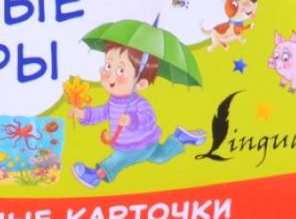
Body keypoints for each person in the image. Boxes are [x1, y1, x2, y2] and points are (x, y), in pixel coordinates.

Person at [70, 42, 205, 188]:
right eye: (108, 66)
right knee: (160, 156)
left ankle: (94, 177)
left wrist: (131, 120)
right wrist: (84, 114)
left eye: (120, 70)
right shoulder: (113, 101)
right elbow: (102, 112)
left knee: (118, 159)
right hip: (140, 144)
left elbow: (149, 118)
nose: (109, 75)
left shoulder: (139, 103)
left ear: (140, 84)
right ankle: (180, 138)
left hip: (140, 144)